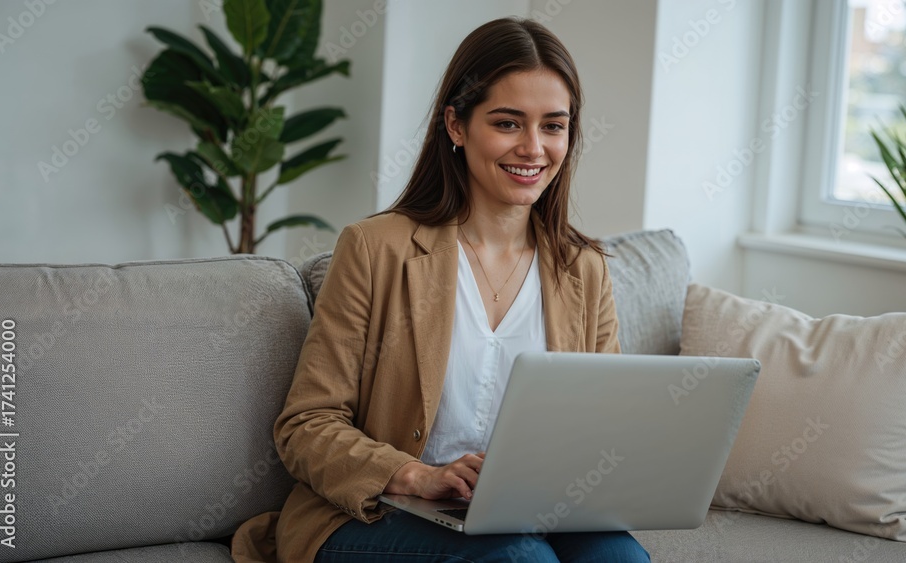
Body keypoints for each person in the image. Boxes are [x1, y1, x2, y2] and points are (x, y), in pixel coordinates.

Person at [231, 17, 649, 563]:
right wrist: (413, 474)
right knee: (519, 559)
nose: (534, 148)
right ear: (456, 125)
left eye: (554, 126)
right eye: (507, 123)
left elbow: (602, 425)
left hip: (524, 508)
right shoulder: (375, 248)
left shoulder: (583, 268)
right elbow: (307, 425)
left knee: (620, 559)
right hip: (383, 508)